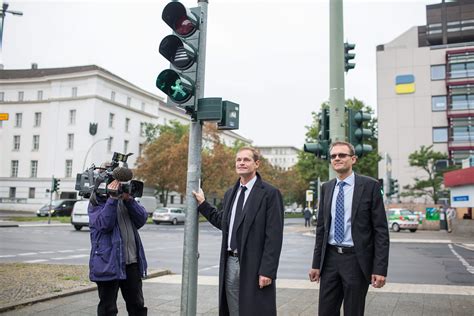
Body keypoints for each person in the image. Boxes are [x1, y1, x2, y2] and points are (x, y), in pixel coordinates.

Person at [193, 147, 284, 316]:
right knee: (233, 309)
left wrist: (267, 270)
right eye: (238, 160)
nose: (241, 163)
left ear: (256, 164)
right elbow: (224, 223)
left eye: (246, 160)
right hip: (230, 262)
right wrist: (203, 204)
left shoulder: (270, 194)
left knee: (255, 310)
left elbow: (274, 236)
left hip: (254, 264)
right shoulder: (230, 194)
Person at [309, 141, 390, 316]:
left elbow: (381, 231)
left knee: (353, 311)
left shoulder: (370, 186)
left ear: (353, 159)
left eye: (342, 155)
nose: (337, 158)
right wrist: (316, 264)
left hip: (356, 260)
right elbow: (321, 229)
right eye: (333, 156)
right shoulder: (326, 188)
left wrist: (380, 269)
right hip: (329, 259)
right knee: (325, 311)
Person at [88, 176, 148, 316]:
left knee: (137, 306)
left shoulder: (126, 202)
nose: (120, 187)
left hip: (131, 263)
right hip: (109, 263)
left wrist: (129, 200)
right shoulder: (96, 203)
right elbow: (104, 225)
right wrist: (113, 199)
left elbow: (141, 219)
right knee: (108, 309)